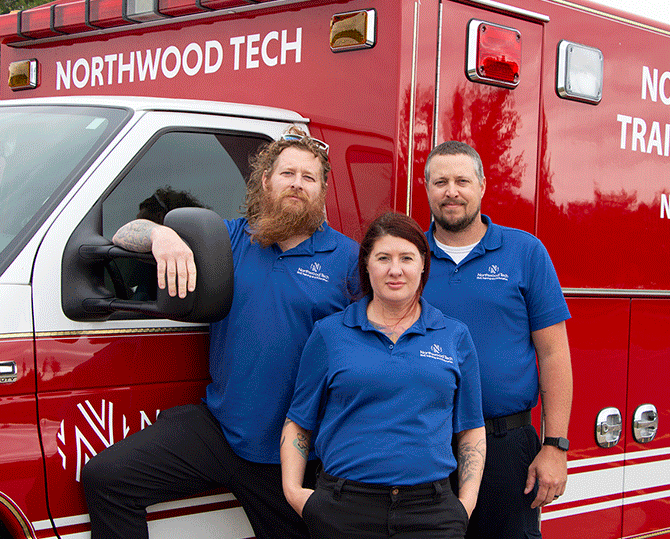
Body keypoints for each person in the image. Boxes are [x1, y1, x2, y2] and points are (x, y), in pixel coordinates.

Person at [81, 128, 359, 539]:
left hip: (295, 452)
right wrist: (161, 235)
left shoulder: (348, 258)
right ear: (266, 181)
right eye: (287, 173)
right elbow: (126, 233)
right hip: (221, 428)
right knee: (107, 479)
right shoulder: (228, 239)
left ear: (321, 190)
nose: (297, 184)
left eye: (308, 176)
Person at [281, 212, 486, 539]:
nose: (395, 269)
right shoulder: (330, 334)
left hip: (431, 513)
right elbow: (299, 421)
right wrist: (294, 492)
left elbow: (471, 428)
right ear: (366, 264)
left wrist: (465, 504)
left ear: (423, 264)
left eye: (407, 257)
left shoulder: (454, 336)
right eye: (383, 258)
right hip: (344, 510)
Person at [421, 141, 573, 539]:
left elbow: (554, 353)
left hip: (505, 445)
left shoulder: (525, 252)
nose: (451, 191)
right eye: (440, 182)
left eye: (461, 181)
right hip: (424, 444)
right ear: (427, 190)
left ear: (483, 186)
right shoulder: (410, 257)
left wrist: (555, 446)